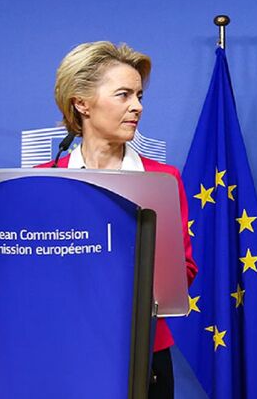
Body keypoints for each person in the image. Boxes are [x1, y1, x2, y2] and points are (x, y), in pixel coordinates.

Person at [37, 41, 198, 398]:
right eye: (123, 95)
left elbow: (183, 271)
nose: (137, 106)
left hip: (144, 352)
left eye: (139, 96)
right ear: (81, 103)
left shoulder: (162, 179)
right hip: (61, 351)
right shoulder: (40, 180)